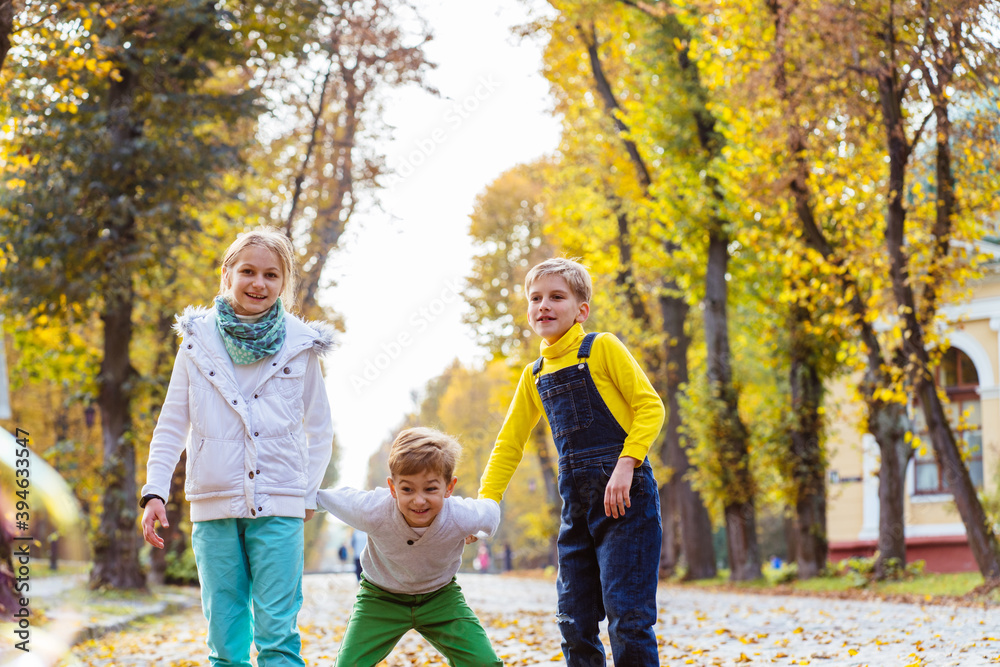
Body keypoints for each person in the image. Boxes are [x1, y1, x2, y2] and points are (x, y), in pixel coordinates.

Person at [139, 226, 335, 667]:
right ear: (227, 273)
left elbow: (320, 429)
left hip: (281, 505)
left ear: (284, 282)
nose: (258, 284)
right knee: (225, 642)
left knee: (278, 636)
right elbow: (172, 423)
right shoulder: (196, 342)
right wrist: (155, 491)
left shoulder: (302, 345)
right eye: (248, 271)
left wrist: (307, 494)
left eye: (271, 275)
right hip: (214, 504)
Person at [478, 257, 664, 666]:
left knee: (627, 619)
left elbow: (650, 407)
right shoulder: (534, 374)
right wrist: (485, 501)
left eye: (556, 297)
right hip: (576, 510)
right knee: (573, 621)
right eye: (535, 298)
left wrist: (626, 463)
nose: (543, 305)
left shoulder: (601, 347)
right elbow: (509, 442)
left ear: (581, 310)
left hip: (626, 501)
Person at [316, 427, 502, 667]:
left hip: (440, 598)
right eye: (407, 489)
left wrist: (475, 532)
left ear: (449, 487)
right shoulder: (373, 510)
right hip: (380, 599)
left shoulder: (461, 515)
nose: (419, 500)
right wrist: (294, 507)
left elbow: (491, 514)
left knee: (484, 663)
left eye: (430, 488)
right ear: (392, 488)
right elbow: (323, 498)